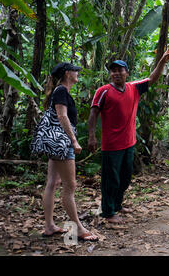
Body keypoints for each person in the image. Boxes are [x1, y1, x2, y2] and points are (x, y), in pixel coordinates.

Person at [88, 48, 169, 224]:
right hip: (111, 144)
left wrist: (162, 61)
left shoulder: (133, 88)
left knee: (125, 177)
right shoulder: (103, 91)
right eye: (113, 70)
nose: (117, 73)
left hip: (129, 142)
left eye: (120, 70)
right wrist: (91, 136)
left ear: (126, 72)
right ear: (110, 74)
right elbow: (93, 113)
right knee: (110, 179)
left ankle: (117, 205)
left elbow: (152, 78)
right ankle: (108, 211)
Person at [42, 62, 98, 241]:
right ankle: (79, 229)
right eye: (76, 72)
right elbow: (61, 115)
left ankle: (49, 225)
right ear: (67, 74)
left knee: (53, 182)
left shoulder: (60, 91)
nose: (78, 74)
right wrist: (73, 140)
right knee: (70, 186)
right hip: (62, 143)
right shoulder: (61, 91)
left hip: (56, 142)